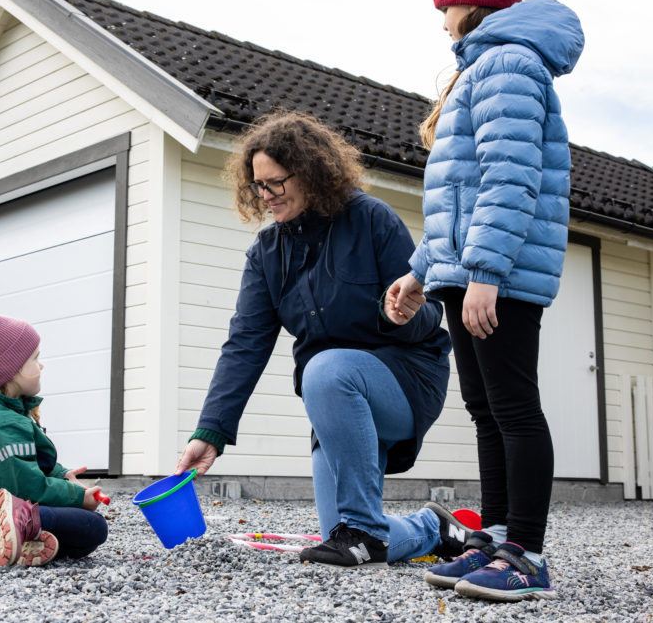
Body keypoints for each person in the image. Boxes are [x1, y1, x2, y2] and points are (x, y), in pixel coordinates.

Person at [174, 109, 471, 569]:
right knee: (345, 533)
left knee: (327, 368)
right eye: (258, 185)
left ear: (311, 173)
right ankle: (434, 527)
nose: (265, 195)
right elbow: (244, 343)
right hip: (335, 403)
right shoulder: (266, 254)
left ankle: (365, 529)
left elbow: (428, 312)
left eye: (276, 182)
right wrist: (210, 432)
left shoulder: (371, 219)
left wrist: (398, 314)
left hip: (406, 380)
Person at [387, 0, 584, 602]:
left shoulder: (508, 66)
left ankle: (526, 552)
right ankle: (498, 534)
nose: (440, 16)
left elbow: (510, 177)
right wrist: (420, 273)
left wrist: (488, 270)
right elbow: (455, 200)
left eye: (444, 2)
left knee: (513, 406)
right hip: (467, 268)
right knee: (486, 410)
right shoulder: (480, 69)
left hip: (497, 271)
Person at [0, 303, 109, 566]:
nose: (41, 365)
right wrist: (77, 497)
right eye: (34, 358)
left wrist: (62, 475)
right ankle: (3, 537)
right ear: (10, 369)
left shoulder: (2, 408)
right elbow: (27, 487)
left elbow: (31, 463)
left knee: (82, 527)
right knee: (93, 527)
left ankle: (22, 542)